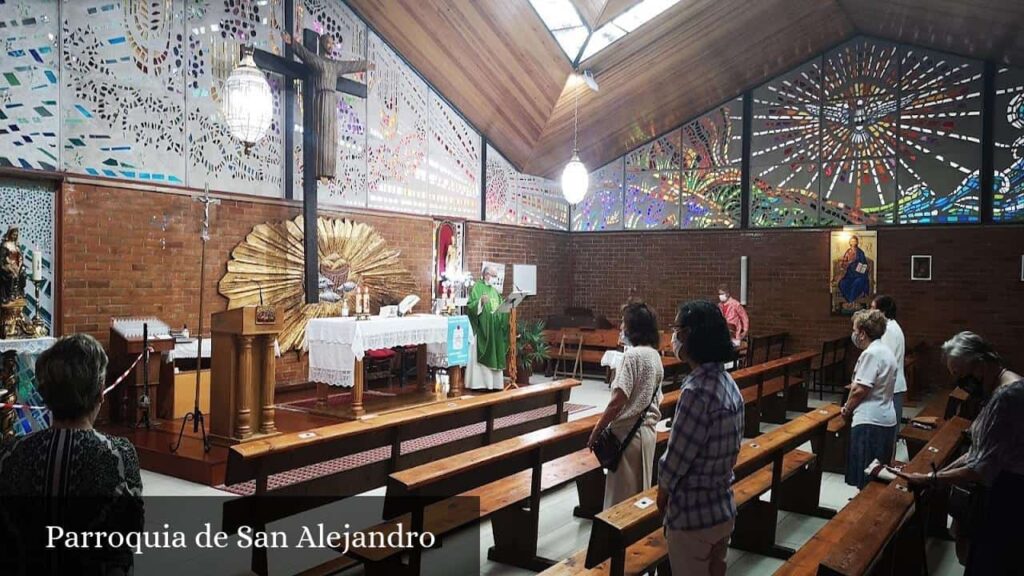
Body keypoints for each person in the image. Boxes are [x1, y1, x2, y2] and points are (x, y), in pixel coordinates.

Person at [0, 334, 144, 574]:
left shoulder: (10, 453)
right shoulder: (119, 454)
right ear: (100, 393)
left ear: (45, 396)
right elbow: (130, 534)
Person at [899, 332, 1023, 575]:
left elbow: (981, 468)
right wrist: (939, 473)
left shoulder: (1008, 396)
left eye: (959, 374)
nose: (960, 383)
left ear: (979, 364)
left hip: (1006, 497)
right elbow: (981, 449)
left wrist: (930, 480)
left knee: (991, 563)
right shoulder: (1002, 388)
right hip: (1001, 491)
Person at [658, 300, 744, 576]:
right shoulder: (728, 383)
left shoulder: (696, 392)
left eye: (677, 329)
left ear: (691, 335)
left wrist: (663, 494)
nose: (674, 337)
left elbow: (676, 460)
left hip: (694, 516)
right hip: (721, 506)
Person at [587, 302, 663, 508]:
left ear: (634, 328)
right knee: (641, 494)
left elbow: (617, 400)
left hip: (627, 436)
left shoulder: (632, 356)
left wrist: (597, 429)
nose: (621, 327)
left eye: (624, 323)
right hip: (647, 432)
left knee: (621, 500)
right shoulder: (655, 355)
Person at [283, 31, 372, 181]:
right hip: (322, 99)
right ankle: (321, 169)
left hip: (331, 101)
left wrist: (365, 65)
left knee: (332, 135)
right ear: (322, 44)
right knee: (322, 133)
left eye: (332, 43)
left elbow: (350, 65)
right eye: (328, 42)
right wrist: (291, 43)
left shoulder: (335, 66)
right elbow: (305, 54)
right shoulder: (318, 61)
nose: (331, 46)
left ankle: (330, 170)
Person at [842, 309, 898, 489]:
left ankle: (862, 511)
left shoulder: (871, 354)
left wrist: (846, 409)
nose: (854, 335)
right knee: (877, 473)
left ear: (863, 333)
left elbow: (860, 389)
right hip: (885, 418)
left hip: (870, 422)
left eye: (855, 330)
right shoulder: (885, 351)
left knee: (867, 475)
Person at [465, 265, 508, 390]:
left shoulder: (494, 290)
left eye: (496, 276)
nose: (495, 278)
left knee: (494, 354)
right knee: (481, 357)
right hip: (482, 329)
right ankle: (480, 384)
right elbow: (470, 306)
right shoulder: (478, 287)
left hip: (494, 330)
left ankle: (494, 384)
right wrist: (480, 302)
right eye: (493, 275)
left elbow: (500, 306)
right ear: (486, 275)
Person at [871, 295, 906, 446]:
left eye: (873, 308)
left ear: (883, 311)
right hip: (891, 385)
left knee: (888, 434)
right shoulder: (890, 327)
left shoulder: (889, 330)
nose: (870, 312)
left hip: (891, 386)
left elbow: (885, 360)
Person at [835, 234, 870, 305]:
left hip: (859, 275)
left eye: (854, 241)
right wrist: (844, 263)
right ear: (850, 242)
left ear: (857, 242)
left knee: (857, 283)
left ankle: (850, 301)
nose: (853, 242)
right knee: (842, 283)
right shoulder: (848, 252)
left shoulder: (860, 252)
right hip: (849, 275)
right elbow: (844, 262)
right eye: (851, 241)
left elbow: (864, 264)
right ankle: (850, 300)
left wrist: (858, 268)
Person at [0, 226, 25, 304]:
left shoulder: (16, 245)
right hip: (7, 266)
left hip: (17, 265)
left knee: (23, 275)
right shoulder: (5, 245)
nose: (14, 236)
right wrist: (9, 266)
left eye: (16, 235)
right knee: (11, 276)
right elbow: (2, 259)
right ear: (9, 234)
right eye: (13, 234)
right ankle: (9, 295)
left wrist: (20, 265)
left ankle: (18, 293)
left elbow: (20, 257)